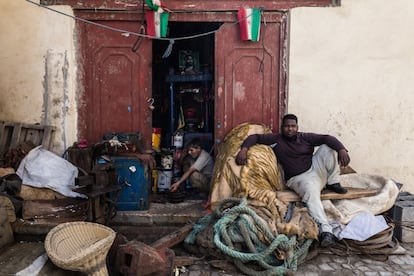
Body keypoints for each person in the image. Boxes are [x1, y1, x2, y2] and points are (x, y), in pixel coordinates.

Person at [235, 114, 350, 248]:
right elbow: (255, 137)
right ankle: (326, 230)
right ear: (282, 127)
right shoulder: (276, 139)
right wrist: (244, 150)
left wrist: (342, 149)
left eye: (293, 126)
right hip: (300, 178)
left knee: (328, 148)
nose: (290, 129)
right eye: (287, 126)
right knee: (311, 194)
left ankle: (333, 182)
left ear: (297, 127)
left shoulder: (305, 137)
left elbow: (327, 138)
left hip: (315, 168)